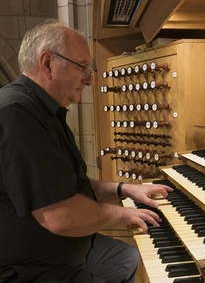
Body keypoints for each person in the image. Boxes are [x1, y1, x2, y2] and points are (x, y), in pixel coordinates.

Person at [0, 19, 173, 283]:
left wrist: (124, 190)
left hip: (63, 250)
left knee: (130, 258)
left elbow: (65, 184)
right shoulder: (17, 112)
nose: (90, 80)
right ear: (47, 63)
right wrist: (123, 213)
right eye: (83, 67)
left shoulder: (44, 110)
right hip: (34, 268)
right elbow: (60, 216)